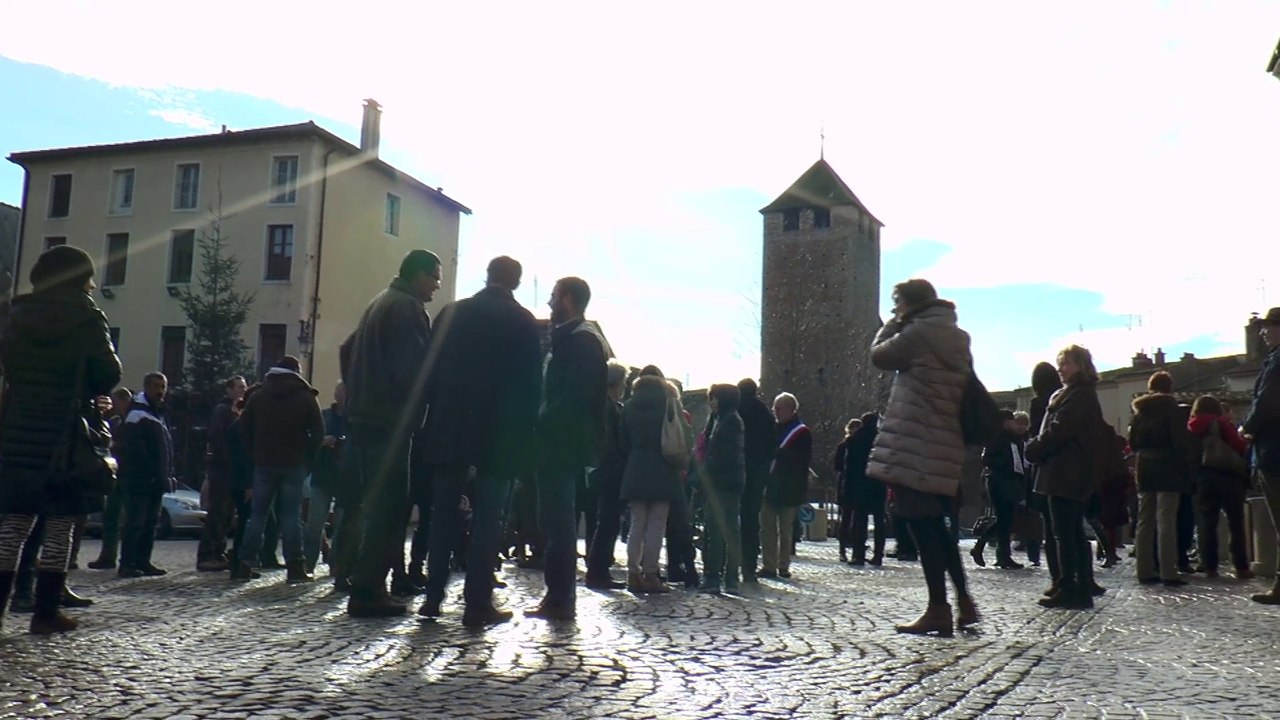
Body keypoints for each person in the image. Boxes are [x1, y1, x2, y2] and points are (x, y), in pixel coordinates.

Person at [0, 246, 122, 634]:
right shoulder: (87, 317)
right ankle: (46, 611)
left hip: (17, 428)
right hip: (65, 432)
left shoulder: (16, 315)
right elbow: (107, 373)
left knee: (13, 523)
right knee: (59, 524)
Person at [415, 256, 542, 627]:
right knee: (489, 519)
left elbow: (428, 370)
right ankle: (477, 602)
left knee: (441, 515)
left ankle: (433, 597)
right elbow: (531, 390)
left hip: (449, 427)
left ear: (487, 277)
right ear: (515, 283)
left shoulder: (453, 313)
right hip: (497, 436)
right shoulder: (522, 322)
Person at [867, 279, 978, 636]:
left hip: (915, 444)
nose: (895, 307)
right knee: (941, 529)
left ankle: (937, 609)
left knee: (923, 528)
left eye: (897, 302)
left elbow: (878, 355)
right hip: (945, 446)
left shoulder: (917, 334)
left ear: (909, 304)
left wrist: (893, 321)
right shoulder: (957, 336)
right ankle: (962, 599)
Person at [339, 250, 440, 617]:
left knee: (376, 505)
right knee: (388, 508)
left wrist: (355, 392)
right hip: (389, 423)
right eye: (434, 277)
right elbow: (411, 372)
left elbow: (347, 349)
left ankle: (367, 585)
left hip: (366, 417)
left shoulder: (379, 302)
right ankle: (367, 589)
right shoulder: (406, 308)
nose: (436, 286)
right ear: (417, 275)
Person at [528, 277, 608, 620]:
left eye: (553, 297)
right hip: (557, 443)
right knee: (553, 520)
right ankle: (557, 595)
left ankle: (560, 598)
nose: (548, 304)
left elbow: (573, 397)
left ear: (569, 299)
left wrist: (542, 420)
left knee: (559, 522)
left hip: (561, 445)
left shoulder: (582, 342)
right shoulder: (572, 340)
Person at [1026, 345, 1109, 610]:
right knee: (1069, 531)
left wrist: (1034, 447)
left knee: (1066, 532)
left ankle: (1072, 588)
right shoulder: (1073, 393)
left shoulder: (1080, 395)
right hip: (1063, 470)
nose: (1060, 368)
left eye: (1066, 363)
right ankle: (1074, 584)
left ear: (1080, 365)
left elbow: (1060, 429)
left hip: (1067, 471)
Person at [233, 356, 324, 584]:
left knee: (257, 516)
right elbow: (319, 432)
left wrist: (254, 452)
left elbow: (243, 428)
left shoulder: (258, 396)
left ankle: (244, 562)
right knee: (291, 517)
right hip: (294, 463)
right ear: (296, 372)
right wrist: (309, 459)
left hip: (264, 463)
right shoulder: (305, 397)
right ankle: (295, 567)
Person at [1129, 370, 1192, 586]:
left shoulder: (1140, 412)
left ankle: (1144, 569)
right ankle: (1169, 571)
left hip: (1144, 466)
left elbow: (1133, 443)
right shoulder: (1172, 409)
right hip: (1168, 467)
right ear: (1170, 387)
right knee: (1166, 520)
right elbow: (1180, 443)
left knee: (1144, 520)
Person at [1186, 394, 1253, 579]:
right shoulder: (1221, 423)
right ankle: (1241, 566)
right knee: (1236, 522)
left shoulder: (1190, 426)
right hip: (1229, 476)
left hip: (1203, 478)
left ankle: (1210, 567)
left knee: (1207, 523)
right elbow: (1239, 445)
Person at [117, 372, 175, 579]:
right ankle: (127, 563)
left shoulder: (158, 413)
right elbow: (134, 449)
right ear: (147, 387)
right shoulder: (137, 413)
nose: (161, 391)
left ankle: (143, 561)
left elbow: (165, 448)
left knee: (151, 523)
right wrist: (152, 471)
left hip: (155, 479)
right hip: (139, 479)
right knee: (135, 523)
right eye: (157, 386)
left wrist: (168, 473)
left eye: (163, 387)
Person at [1245, 307, 1280, 604]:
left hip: (1274, 451)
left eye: (1269, 327)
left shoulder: (1277, 362)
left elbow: (1266, 401)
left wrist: (1248, 428)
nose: (1264, 332)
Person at [585, 360, 630, 589]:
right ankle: (598, 570)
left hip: (606, 471)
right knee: (607, 523)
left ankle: (599, 569)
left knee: (607, 523)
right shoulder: (607, 407)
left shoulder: (608, 405)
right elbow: (607, 443)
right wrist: (618, 463)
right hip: (609, 472)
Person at [699, 383, 745, 594]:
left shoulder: (730, 422)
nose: (711, 402)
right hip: (724, 482)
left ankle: (719, 577)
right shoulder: (718, 420)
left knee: (720, 530)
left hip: (724, 483)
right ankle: (725, 577)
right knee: (720, 530)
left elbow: (723, 455)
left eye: (714, 398)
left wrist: (706, 471)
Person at [197, 375, 247, 572]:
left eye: (244, 387)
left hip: (229, 470)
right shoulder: (223, 410)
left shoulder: (235, 411)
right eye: (239, 387)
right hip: (222, 470)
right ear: (229, 390)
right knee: (217, 513)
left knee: (226, 514)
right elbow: (219, 439)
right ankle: (208, 554)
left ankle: (218, 552)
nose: (243, 390)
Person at [759, 392, 810, 580]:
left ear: (790, 409)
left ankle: (783, 566)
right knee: (767, 529)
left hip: (789, 488)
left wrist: (780, 454)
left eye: (779, 408)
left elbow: (802, 460)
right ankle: (768, 565)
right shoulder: (772, 428)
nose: (776, 412)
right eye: (774, 408)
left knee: (785, 531)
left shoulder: (802, 432)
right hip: (770, 486)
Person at [971, 410, 1029, 569]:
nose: (1014, 424)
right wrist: (1004, 466)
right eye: (1011, 421)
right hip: (1000, 480)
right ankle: (991, 551)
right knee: (1004, 518)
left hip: (1012, 481)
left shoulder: (1015, 439)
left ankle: (999, 554)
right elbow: (987, 458)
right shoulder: (996, 437)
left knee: (1006, 519)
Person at [87, 386, 134, 570]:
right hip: (114, 474)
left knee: (126, 519)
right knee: (111, 517)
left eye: (115, 402)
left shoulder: (131, 421)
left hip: (126, 474)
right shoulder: (114, 421)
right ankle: (108, 556)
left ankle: (122, 558)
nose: (113, 406)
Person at [305, 381, 348, 576]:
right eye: (341, 390)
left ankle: (336, 564)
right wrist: (322, 442)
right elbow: (310, 441)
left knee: (342, 526)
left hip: (345, 478)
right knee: (314, 524)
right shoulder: (325, 416)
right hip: (322, 475)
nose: (343, 394)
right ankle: (308, 564)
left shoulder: (354, 419)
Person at [737, 378, 775, 582]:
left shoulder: (734, 410)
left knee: (731, 517)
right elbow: (772, 445)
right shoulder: (764, 413)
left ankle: (730, 564)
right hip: (756, 472)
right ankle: (749, 565)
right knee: (751, 519)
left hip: (737, 470)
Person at [842, 413, 885, 566]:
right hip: (879, 484)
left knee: (860, 520)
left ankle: (858, 554)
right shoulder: (882, 440)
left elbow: (849, 466)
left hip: (859, 484)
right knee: (880, 521)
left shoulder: (854, 439)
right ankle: (878, 554)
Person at [833, 419, 861, 564]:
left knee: (852, 519)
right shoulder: (844, 446)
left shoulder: (845, 446)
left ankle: (852, 548)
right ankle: (843, 549)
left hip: (848, 483)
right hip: (846, 484)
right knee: (846, 518)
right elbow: (837, 465)